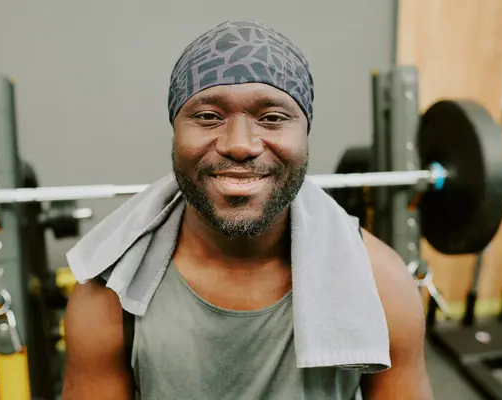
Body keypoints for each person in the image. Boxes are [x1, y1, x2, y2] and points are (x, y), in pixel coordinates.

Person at [62, 19, 434, 400]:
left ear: (305, 134)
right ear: (175, 132)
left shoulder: (381, 285)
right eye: (208, 116)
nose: (240, 145)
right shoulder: (108, 294)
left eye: (272, 118)